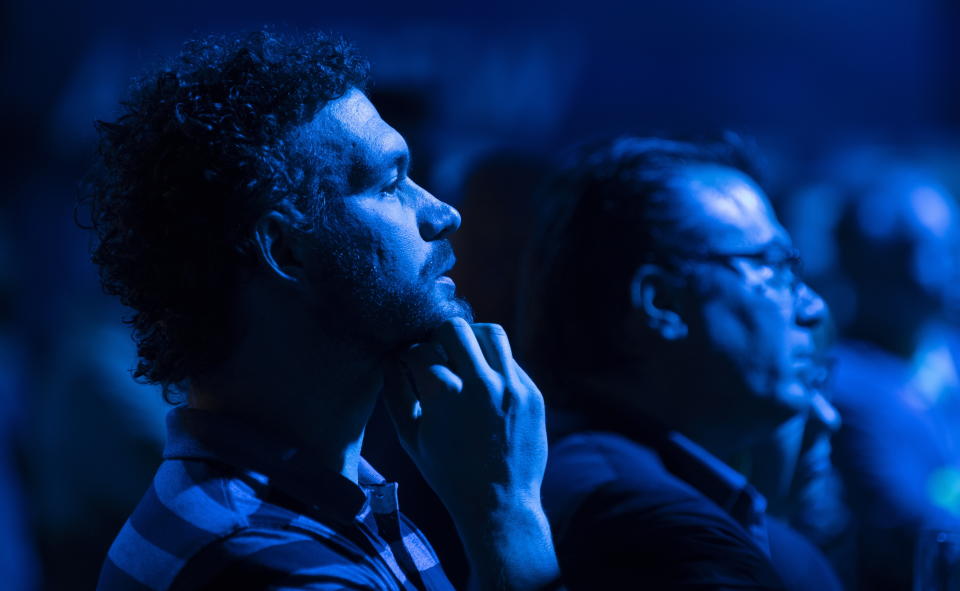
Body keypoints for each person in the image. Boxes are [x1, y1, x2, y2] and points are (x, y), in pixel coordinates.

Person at [83, 31, 559, 591]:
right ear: (285, 249)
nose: (443, 212)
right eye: (391, 183)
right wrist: (509, 517)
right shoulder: (266, 563)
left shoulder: (321, 498)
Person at [518, 136, 842, 590]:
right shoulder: (660, 530)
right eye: (772, 267)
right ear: (660, 302)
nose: (812, 307)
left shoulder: (601, 476)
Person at [785, 150, 960, 590]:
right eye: (914, 251)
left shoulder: (946, 358)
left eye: (948, 247)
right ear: (860, 265)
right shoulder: (844, 385)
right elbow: (914, 525)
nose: (938, 270)